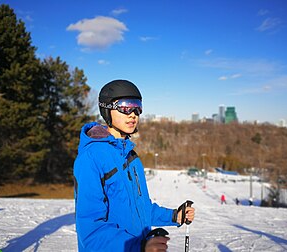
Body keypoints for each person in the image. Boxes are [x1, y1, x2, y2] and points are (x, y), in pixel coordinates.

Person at [73, 79, 195, 251]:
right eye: (125, 106)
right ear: (106, 109)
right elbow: (90, 231)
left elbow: (141, 208)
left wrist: (175, 216)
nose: (133, 113)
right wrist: (139, 246)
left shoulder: (131, 157)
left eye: (137, 106)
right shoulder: (91, 158)